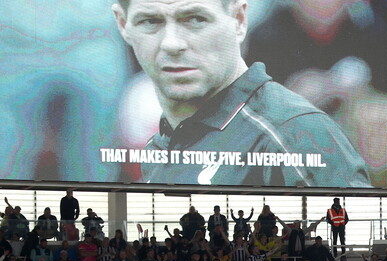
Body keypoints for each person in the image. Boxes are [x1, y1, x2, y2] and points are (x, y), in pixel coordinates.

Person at [111, 0, 369, 188]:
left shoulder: (294, 133)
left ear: (238, 20)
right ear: (123, 25)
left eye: (195, 19)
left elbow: (354, 248)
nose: (172, 43)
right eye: (150, 21)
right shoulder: (155, 126)